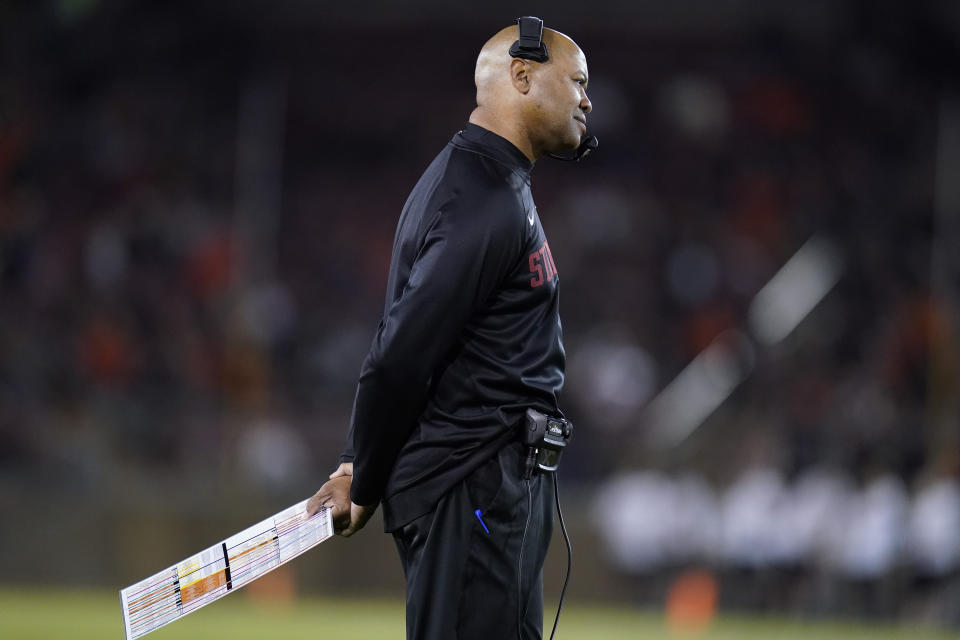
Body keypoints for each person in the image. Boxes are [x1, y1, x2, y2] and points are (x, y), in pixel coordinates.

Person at [307, 17, 593, 640]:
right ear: (521, 75)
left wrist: (362, 460)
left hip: (481, 488)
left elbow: (406, 341)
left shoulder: (481, 180)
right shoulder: (483, 199)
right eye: (576, 82)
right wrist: (364, 472)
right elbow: (400, 355)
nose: (586, 100)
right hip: (476, 490)